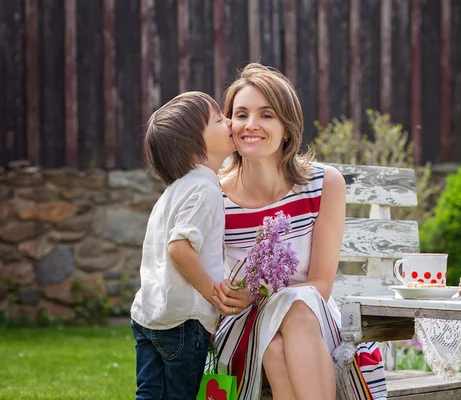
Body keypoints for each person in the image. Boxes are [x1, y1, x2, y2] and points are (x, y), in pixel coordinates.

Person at [211, 63, 387, 400]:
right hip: (243, 327)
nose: (251, 125)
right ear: (229, 124)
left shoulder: (323, 184)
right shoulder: (215, 196)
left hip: (311, 317)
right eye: (241, 114)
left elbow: (320, 284)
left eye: (266, 115)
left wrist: (260, 292)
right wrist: (245, 296)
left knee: (291, 321)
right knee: (279, 335)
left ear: (287, 128)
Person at [130, 91, 235, 399]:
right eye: (218, 119)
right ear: (194, 146)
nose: (229, 121)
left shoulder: (173, 192)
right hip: (184, 321)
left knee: (149, 394)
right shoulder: (205, 189)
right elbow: (179, 248)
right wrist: (213, 295)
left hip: (148, 316)